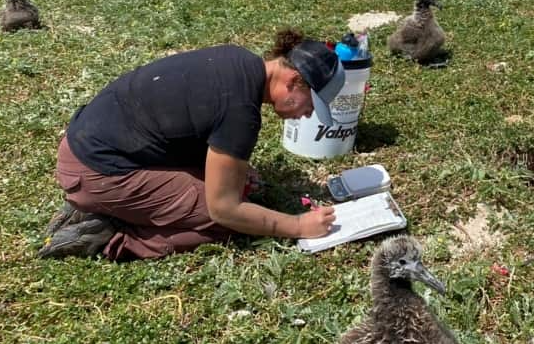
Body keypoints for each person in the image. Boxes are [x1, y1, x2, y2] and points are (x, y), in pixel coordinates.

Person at [38, 28, 344, 260]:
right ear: (292, 81)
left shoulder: (238, 60)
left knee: (237, 186)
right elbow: (225, 209)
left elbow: (192, 123)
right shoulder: (240, 112)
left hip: (85, 147)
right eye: (311, 105)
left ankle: (99, 203)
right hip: (97, 171)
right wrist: (299, 226)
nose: (306, 115)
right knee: (227, 221)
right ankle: (109, 233)